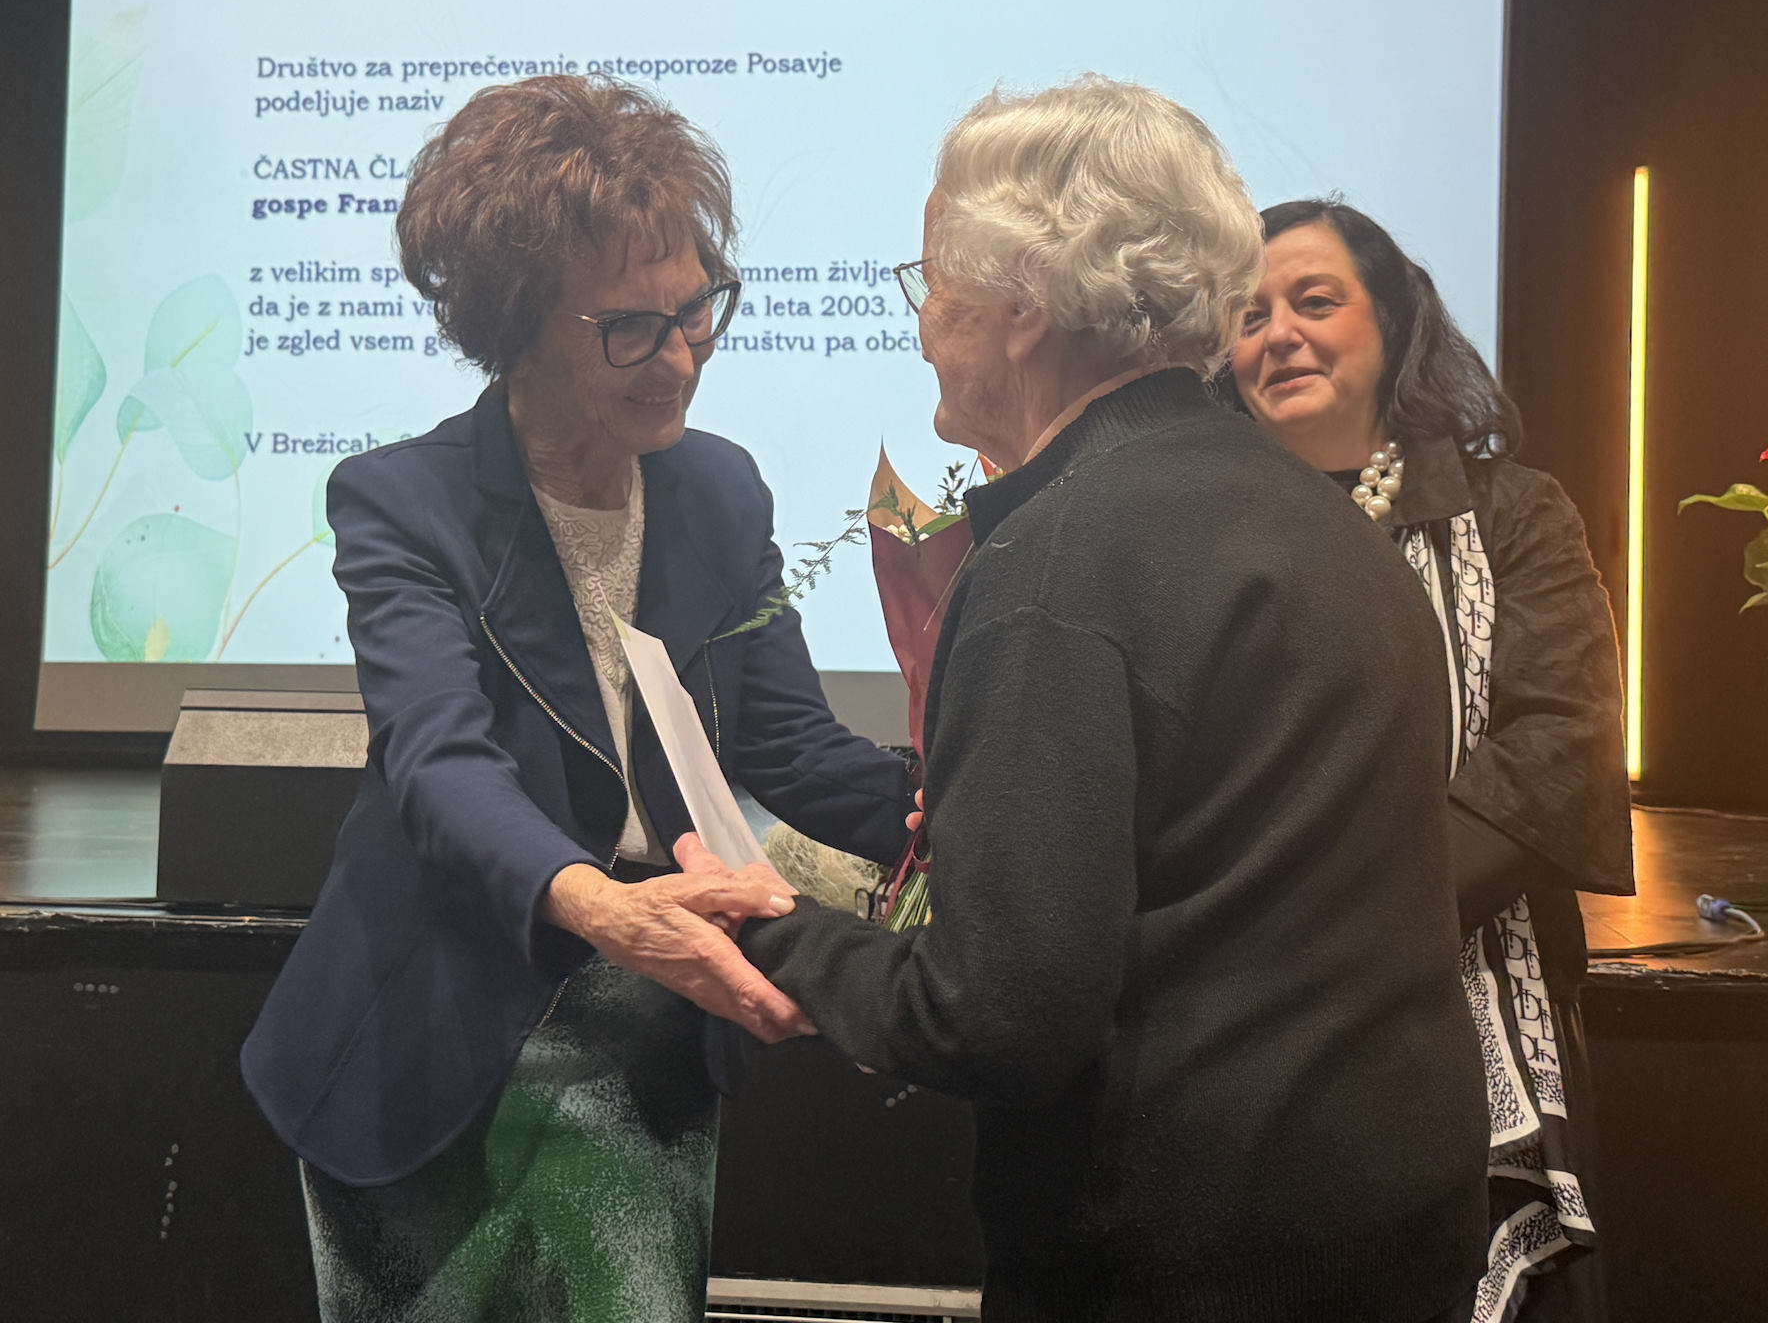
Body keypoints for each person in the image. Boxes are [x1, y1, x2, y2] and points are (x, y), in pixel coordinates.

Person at [698, 77, 1490, 1322]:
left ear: (1022, 304)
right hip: (1392, 1230)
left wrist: (772, 930)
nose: (921, 325)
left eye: (931, 282)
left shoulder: (1056, 564)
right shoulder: (1328, 521)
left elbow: (996, 1020)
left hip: (1185, 1258)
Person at [240, 74, 913, 1322]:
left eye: (697, 310)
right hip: (433, 1039)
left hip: (652, 1041)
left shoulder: (719, 491)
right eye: (631, 329)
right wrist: (606, 909)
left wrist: (968, 808)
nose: (681, 356)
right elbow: (439, 767)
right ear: (517, 324)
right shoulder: (407, 503)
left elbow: (790, 748)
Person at [1222, 199, 1635, 1323]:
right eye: (1248, 315)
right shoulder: (1199, 531)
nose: (1279, 334)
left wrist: (1340, 924)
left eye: (1315, 301)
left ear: (1394, 322)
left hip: (1460, 1005)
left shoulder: (1512, 514)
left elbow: (1555, 753)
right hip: (1244, 1032)